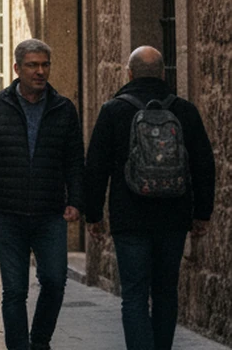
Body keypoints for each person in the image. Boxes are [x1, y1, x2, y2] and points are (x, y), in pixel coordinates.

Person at [84, 46, 216, 350]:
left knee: (134, 294)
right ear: (164, 73)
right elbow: (203, 164)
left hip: (129, 218)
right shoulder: (184, 110)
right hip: (173, 216)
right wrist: (202, 214)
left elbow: (95, 167)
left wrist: (93, 216)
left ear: (129, 74)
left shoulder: (113, 110)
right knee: (166, 292)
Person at [0, 38, 85, 350]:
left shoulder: (63, 108)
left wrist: (75, 200)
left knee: (55, 281)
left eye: (45, 65)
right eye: (32, 65)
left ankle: (40, 341)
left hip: (50, 213)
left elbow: (74, 159)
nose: (40, 71)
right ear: (17, 68)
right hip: (8, 212)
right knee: (15, 290)